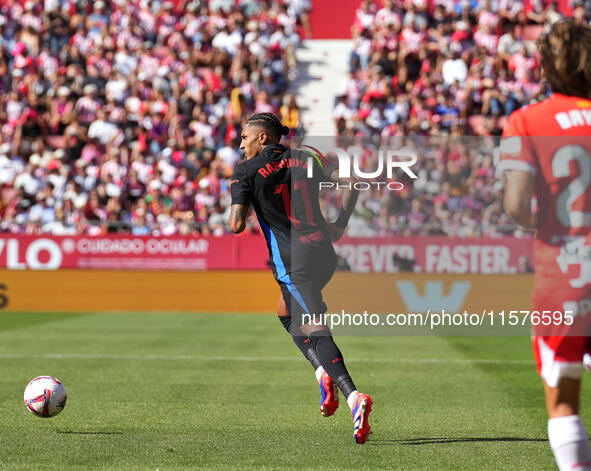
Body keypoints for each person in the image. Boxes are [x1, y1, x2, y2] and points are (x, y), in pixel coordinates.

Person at [229, 112, 373, 444]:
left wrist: (240, 194)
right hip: (324, 253)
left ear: (262, 138)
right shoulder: (307, 155)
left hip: (294, 262)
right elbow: (351, 183)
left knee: (315, 327)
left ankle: (354, 397)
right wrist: (341, 222)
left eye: (244, 137)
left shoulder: (245, 171)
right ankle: (323, 374)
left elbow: (236, 225)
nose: (241, 143)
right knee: (285, 311)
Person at [499, 20, 591, 471]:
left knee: (564, 402)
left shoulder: (527, 120)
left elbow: (515, 205)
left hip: (565, 275)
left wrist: (555, 225)